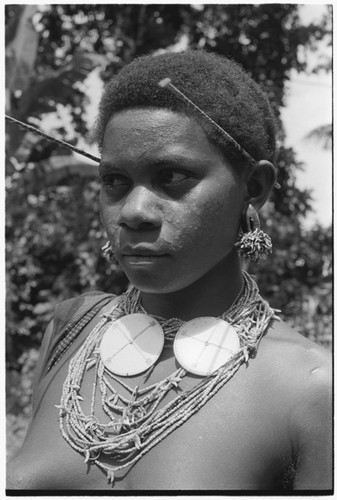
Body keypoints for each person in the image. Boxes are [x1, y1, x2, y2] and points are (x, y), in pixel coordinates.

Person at [7, 50, 332, 492]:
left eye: (173, 177)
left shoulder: (310, 389)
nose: (135, 212)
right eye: (115, 181)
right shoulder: (72, 330)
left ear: (253, 189)